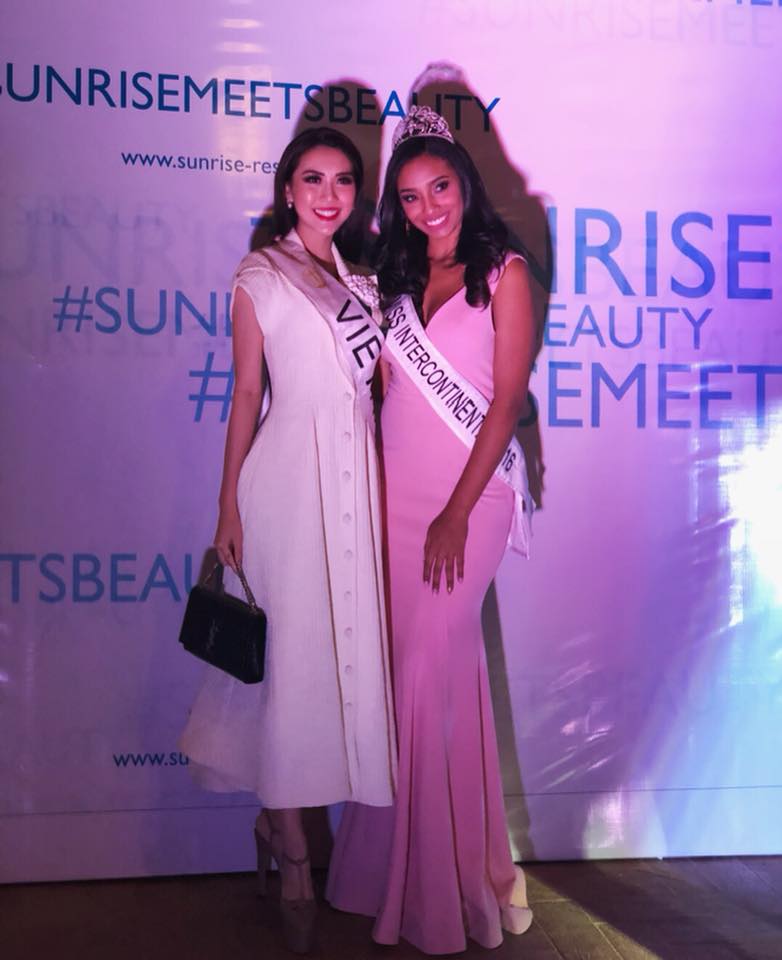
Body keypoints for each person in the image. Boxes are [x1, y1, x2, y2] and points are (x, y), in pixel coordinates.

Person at [179, 127, 396, 955]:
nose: (328, 195)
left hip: (355, 486)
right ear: (287, 189)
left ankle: (282, 830)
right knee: (289, 670)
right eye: (313, 179)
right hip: (283, 488)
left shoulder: (366, 285)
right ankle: (294, 849)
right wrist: (227, 506)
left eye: (343, 180)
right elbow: (245, 395)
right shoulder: (261, 276)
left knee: (331, 668)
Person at [327, 106, 536, 954]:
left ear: (464, 185)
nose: (427, 208)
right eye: (409, 197)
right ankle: (421, 871)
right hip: (395, 494)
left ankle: (437, 890)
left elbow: (506, 401)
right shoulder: (397, 281)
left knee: (422, 674)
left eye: (439, 188)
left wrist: (454, 512)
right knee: (422, 683)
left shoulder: (505, 272)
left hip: (469, 502)